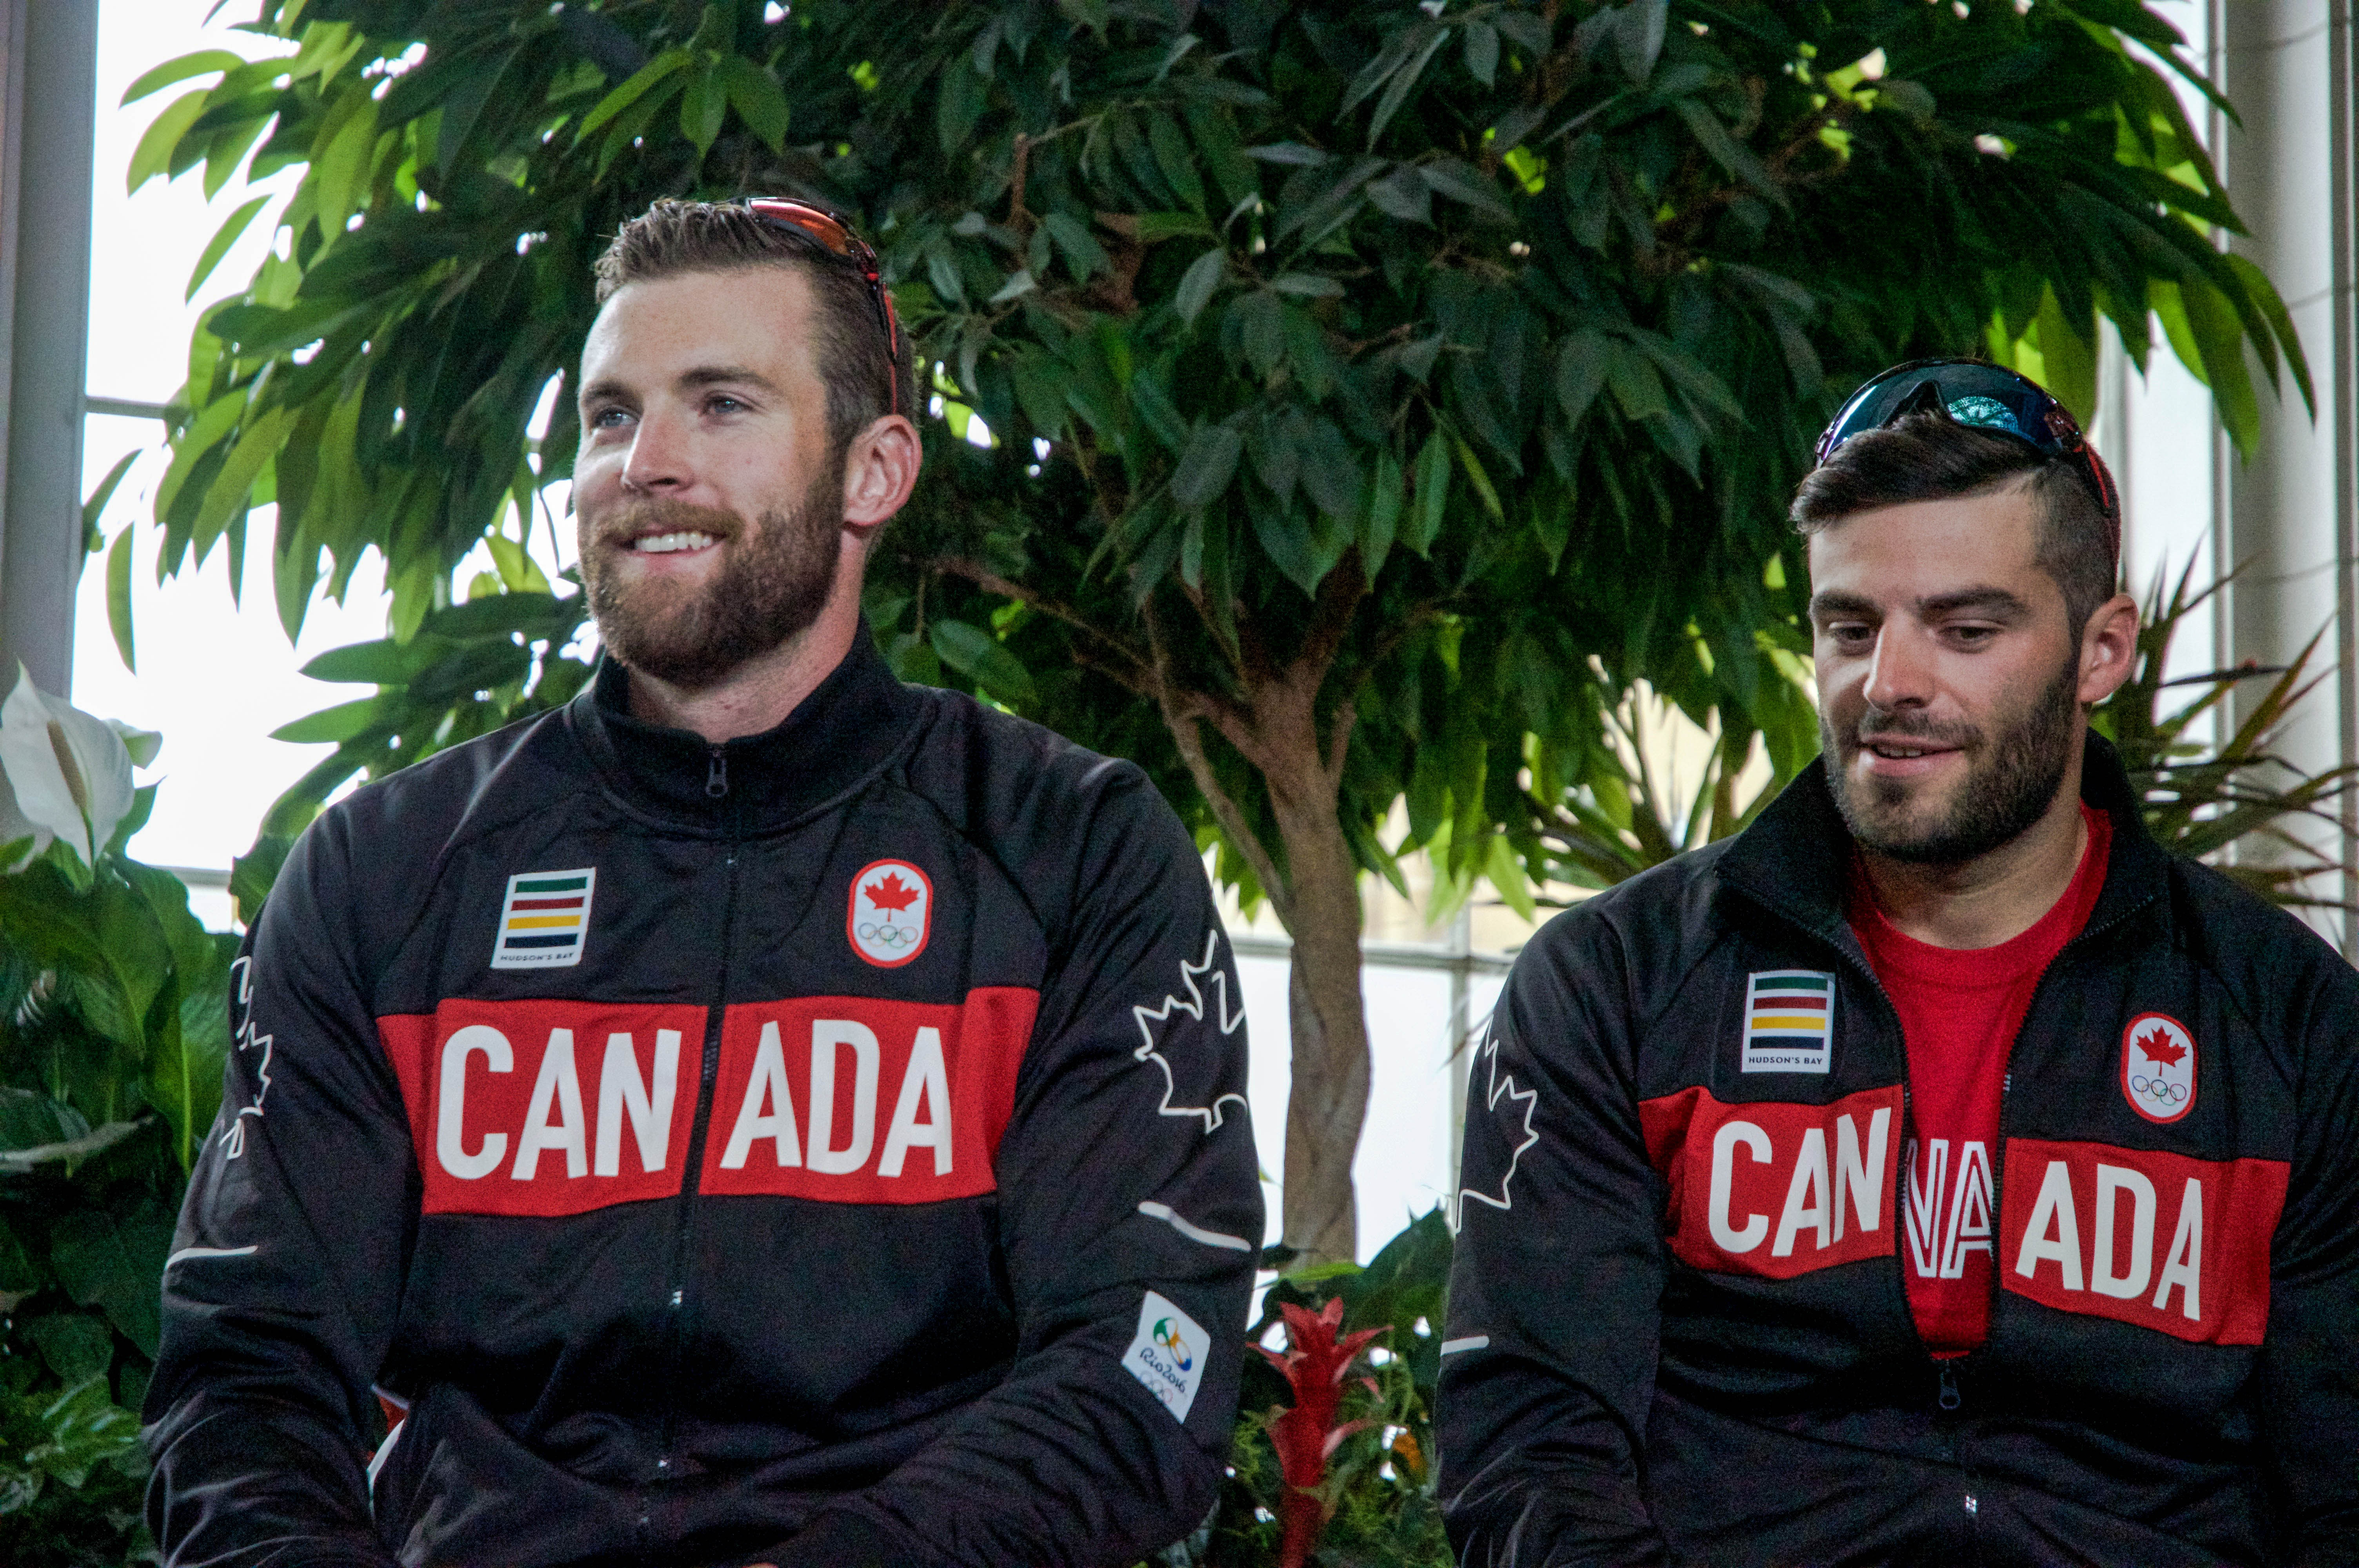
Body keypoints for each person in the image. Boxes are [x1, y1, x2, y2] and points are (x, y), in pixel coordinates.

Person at [143, 197, 1263, 1568]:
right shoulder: (387, 873)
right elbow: (246, 1371)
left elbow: (1144, 1359)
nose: (646, 463)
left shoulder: (1073, 852)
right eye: (610, 418)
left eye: (720, 405)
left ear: (875, 472)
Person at [1436, 359, 2359, 1566]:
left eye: (1966, 629)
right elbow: (1535, 1452)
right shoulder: (1618, 985)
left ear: (2101, 651)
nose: (1891, 685)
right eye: (1849, 627)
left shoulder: (2284, 1024)